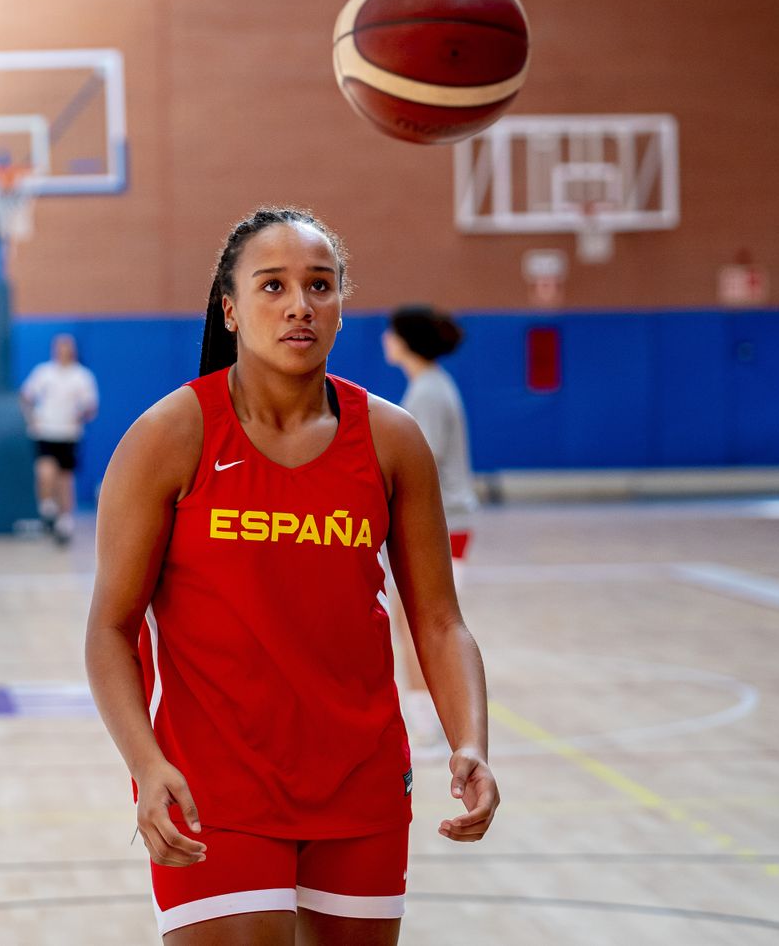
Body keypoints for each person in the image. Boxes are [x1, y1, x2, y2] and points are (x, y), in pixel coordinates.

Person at [85, 207, 498, 944]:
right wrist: (145, 764)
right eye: (272, 286)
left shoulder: (392, 440)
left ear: (342, 305)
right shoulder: (169, 437)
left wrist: (471, 740)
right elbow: (111, 628)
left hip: (361, 785)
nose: (300, 304)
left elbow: (439, 621)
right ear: (231, 308)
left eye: (320, 285)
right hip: (214, 785)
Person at [382, 306, 478, 746]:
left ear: (406, 340)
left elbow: (422, 462)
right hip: (446, 522)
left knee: (420, 626)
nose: (386, 339)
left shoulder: (429, 393)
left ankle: (427, 726)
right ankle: (427, 722)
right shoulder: (430, 387)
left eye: (392, 332)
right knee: (412, 624)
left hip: (442, 524)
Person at [20, 333, 98, 543]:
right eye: (60, 347)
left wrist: (79, 416)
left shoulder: (82, 376)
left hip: (68, 434)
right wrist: (32, 418)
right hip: (45, 432)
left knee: (65, 478)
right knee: (45, 472)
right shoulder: (44, 373)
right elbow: (26, 396)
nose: (64, 351)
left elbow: (90, 407)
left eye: (67, 347)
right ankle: (47, 508)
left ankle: (65, 520)